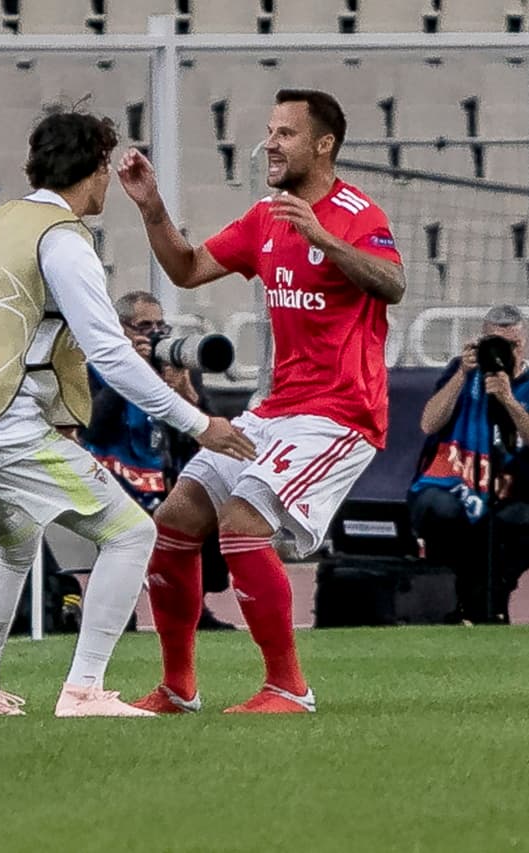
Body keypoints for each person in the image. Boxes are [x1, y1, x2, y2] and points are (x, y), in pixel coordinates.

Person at [0, 110, 255, 719]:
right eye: (105, 167)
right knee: (132, 533)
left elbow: (9, 330)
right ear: (96, 169)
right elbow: (113, 357)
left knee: (15, 542)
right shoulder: (65, 242)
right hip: (0, 428)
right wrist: (200, 424)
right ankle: (84, 691)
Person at [117, 88, 406, 714]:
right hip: (276, 410)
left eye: (285, 134)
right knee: (176, 519)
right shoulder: (265, 216)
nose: (269, 144)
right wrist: (152, 209)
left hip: (340, 414)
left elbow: (394, 284)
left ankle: (289, 687)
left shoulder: (357, 213)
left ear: (323, 144)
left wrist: (328, 242)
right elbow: (188, 269)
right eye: (269, 131)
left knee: (243, 524)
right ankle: (177, 686)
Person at [80, 291, 235, 632]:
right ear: (120, 328)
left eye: (159, 325)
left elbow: (207, 429)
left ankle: (195, 609)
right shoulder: (97, 365)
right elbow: (95, 427)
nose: (154, 334)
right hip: (111, 470)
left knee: (196, 521)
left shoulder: (172, 364)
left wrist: (186, 393)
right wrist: (130, 371)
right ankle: (116, 618)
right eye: (144, 325)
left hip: (162, 472)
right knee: (121, 545)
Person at [408, 305, 529, 624]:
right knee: (440, 510)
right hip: (448, 484)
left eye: (513, 345)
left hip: (504, 498)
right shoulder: (462, 373)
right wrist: (460, 376)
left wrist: (508, 399)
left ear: (525, 345)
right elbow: (428, 423)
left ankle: (491, 589)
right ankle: (450, 596)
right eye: (495, 344)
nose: (504, 353)